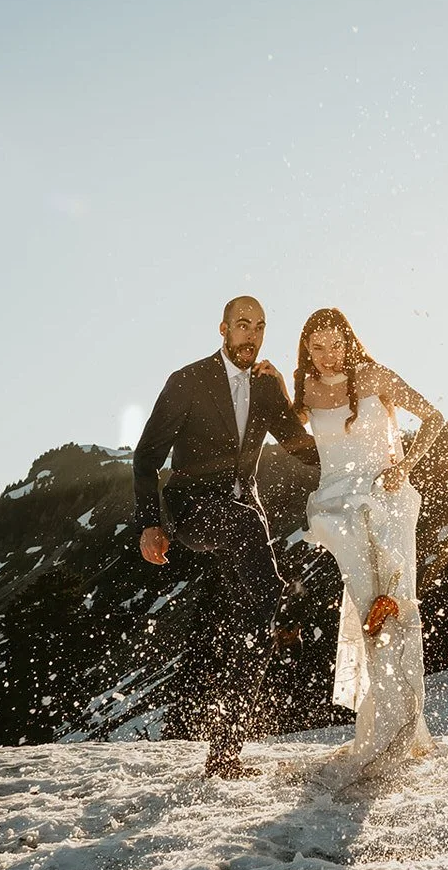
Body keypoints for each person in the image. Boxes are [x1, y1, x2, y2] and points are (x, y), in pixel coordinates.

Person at [133, 295, 319, 780]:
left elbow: (300, 447)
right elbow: (147, 454)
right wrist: (149, 523)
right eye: (242, 324)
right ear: (222, 329)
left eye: (259, 326)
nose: (251, 335)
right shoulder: (188, 380)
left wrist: (356, 469)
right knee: (250, 536)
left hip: (243, 508)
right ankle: (280, 601)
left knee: (250, 625)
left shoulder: (264, 387)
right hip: (194, 509)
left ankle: (225, 749)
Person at [287, 307, 445, 786]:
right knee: (365, 608)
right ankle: (378, 726)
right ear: (306, 351)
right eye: (318, 347)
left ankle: (405, 727)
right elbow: (276, 425)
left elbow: (434, 418)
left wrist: (406, 465)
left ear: (349, 342)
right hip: (338, 505)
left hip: (388, 498)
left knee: (397, 602)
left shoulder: (375, 376)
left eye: (337, 344)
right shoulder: (305, 390)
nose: (329, 355)